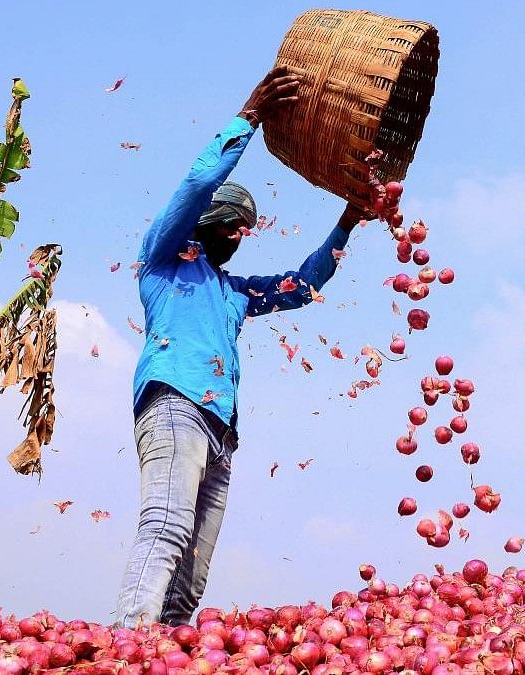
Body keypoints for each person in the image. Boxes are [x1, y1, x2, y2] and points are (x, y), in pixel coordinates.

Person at [115, 66, 366, 627]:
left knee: (195, 565)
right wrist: (248, 115)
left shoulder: (232, 293)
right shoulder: (162, 261)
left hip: (220, 430)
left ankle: (168, 649)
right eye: (231, 226)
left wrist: (348, 223)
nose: (236, 238)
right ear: (204, 225)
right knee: (167, 524)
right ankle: (127, 639)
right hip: (176, 402)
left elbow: (300, 287)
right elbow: (195, 186)